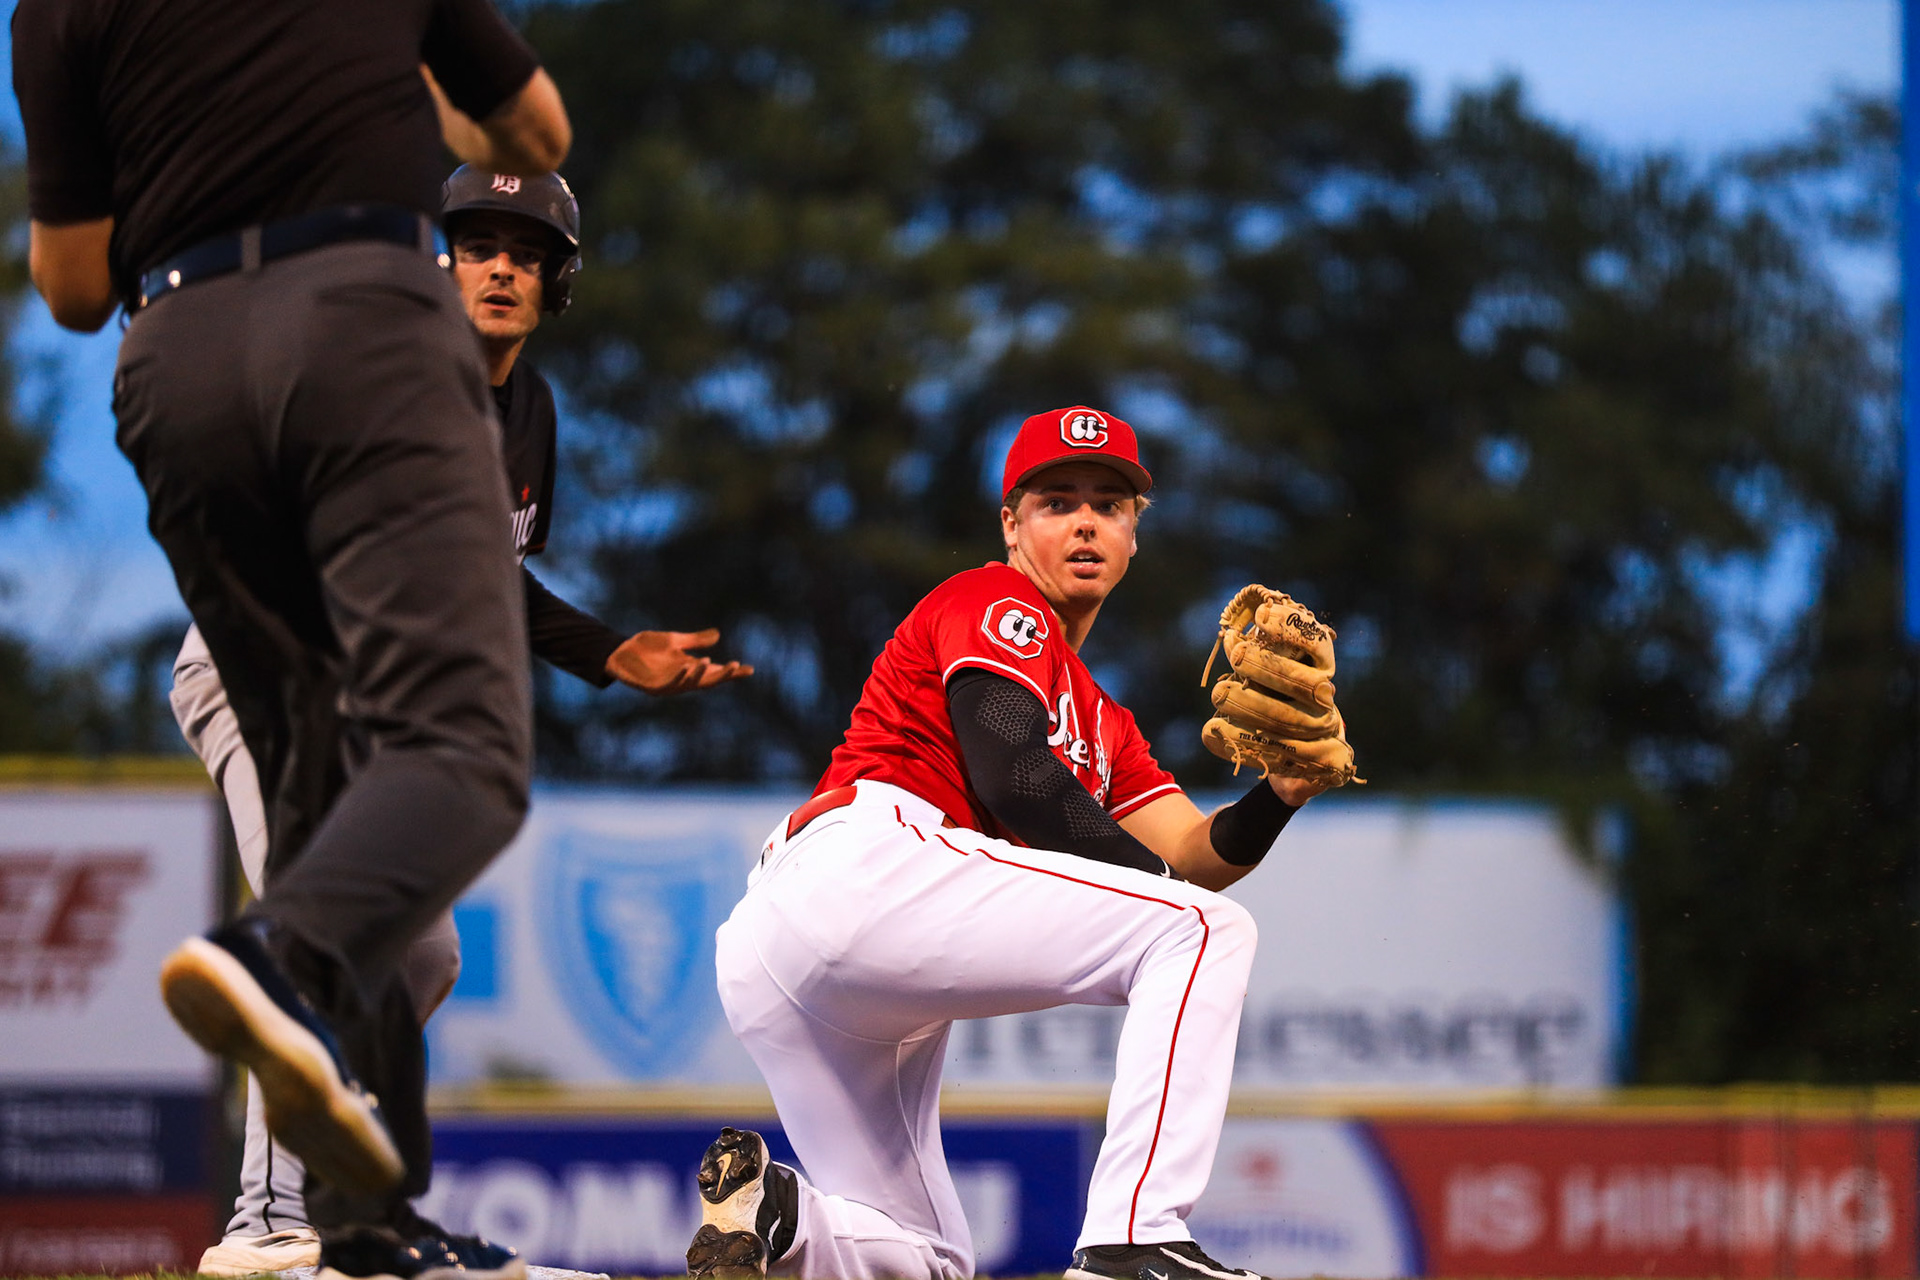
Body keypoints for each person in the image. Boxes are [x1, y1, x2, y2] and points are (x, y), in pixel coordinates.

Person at [14, 2, 572, 1274]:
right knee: (468, 759)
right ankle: (270, 1110)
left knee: (388, 903)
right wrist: (392, 95)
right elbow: (537, 129)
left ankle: (368, 1222)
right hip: (359, 323)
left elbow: (68, 287)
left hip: (173, 362)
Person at [173, 166, 751, 1278]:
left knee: (421, 949)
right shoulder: (376, 379)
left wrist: (608, 650)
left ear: (556, 285)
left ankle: (342, 1209)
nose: (499, 266)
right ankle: (261, 1220)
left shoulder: (528, 413)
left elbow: (485, 572)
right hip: (264, 665)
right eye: (475, 244)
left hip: (360, 700)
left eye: (525, 252)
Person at [687, 407, 1342, 1280]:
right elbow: (1016, 777)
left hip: (788, 954)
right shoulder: (996, 600)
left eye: (1109, 505)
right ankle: (1134, 1240)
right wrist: (1164, 894)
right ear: (1011, 523)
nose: (1083, 521)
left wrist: (1279, 795)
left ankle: (785, 1221)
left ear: (1135, 534)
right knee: (1204, 931)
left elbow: (1189, 853)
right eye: (1055, 500)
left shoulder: (1105, 721)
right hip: (872, 864)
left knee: (930, 1260)